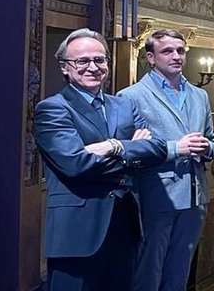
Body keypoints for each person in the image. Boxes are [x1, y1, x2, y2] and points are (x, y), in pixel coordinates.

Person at [35, 29, 168, 291]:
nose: (93, 67)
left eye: (99, 60)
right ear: (65, 67)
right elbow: (76, 164)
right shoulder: (53, 108)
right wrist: (132, 152)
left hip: (125, 226)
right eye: (82, 61)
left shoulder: (123, 105)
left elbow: (157, 149)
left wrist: (113, 146)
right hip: (77, 234)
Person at [119, 28, 214, 291]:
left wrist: (207, 147)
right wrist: (177, 147)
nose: (176, 56)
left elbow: (213, 141)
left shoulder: (200, 95)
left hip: (195, 198)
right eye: (167, 51)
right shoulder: (130, 97)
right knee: (148, 274)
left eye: (180, 51)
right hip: (155, 197)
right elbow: (128, 152)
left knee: (179, 274)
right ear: (150, 58)